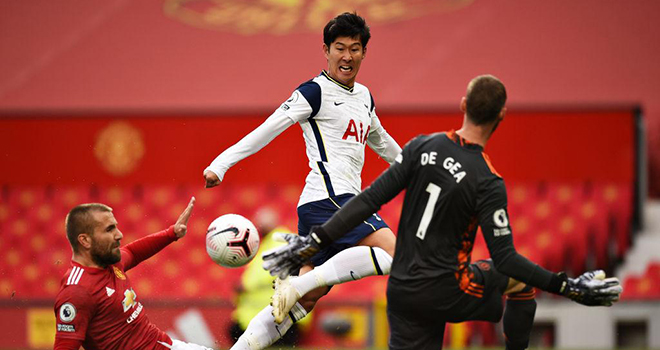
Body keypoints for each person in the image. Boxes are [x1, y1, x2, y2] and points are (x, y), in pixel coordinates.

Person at [263, 75, 623, 350]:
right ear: (502, 116)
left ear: (464, 103)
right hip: (448, 289)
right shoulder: (488, 180)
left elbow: (367, 201)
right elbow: (507, 259)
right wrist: (567, 285)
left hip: (403, 290)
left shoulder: (422, 147)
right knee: (520, 283)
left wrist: (311, 243)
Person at [204, 12, 401, 350]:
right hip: (331, 199)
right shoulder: (314, 92)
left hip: (328, 204)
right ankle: (298, 282)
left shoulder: (365, 97)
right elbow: (269, 127)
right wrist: (220, 164)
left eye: (355, 49)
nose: (347, 56)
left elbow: (381, 141)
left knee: (301, 305)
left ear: (364, 53)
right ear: (326, 50)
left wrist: (418, 170)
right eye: (339, 48)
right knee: (396, 254)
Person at [53, 197, 211, 350]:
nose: (119, 234)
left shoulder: (110, 263)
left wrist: (172, 233)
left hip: (165, 344)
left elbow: (133, 252)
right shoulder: (76, 291)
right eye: (109, 229)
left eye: (115, 227)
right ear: (85, 241)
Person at [228, 207, 308, 346]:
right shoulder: (271, 242)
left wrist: (245, 286)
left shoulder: (279, 240)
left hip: (274, 314)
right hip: (272, 313)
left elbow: (269, 270)